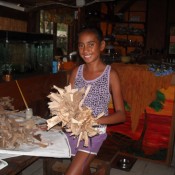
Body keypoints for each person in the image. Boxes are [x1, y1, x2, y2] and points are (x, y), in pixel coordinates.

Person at [65, 26, 126, 175]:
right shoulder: (75, 72)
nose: (85, 50)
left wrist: (95, 121)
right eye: (81, 45)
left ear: (102, 46)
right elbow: (67, 104)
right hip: (74, 130)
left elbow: (121, 114)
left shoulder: (111, 75)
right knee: (82, 168)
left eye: (91, 44)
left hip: (94, 132)